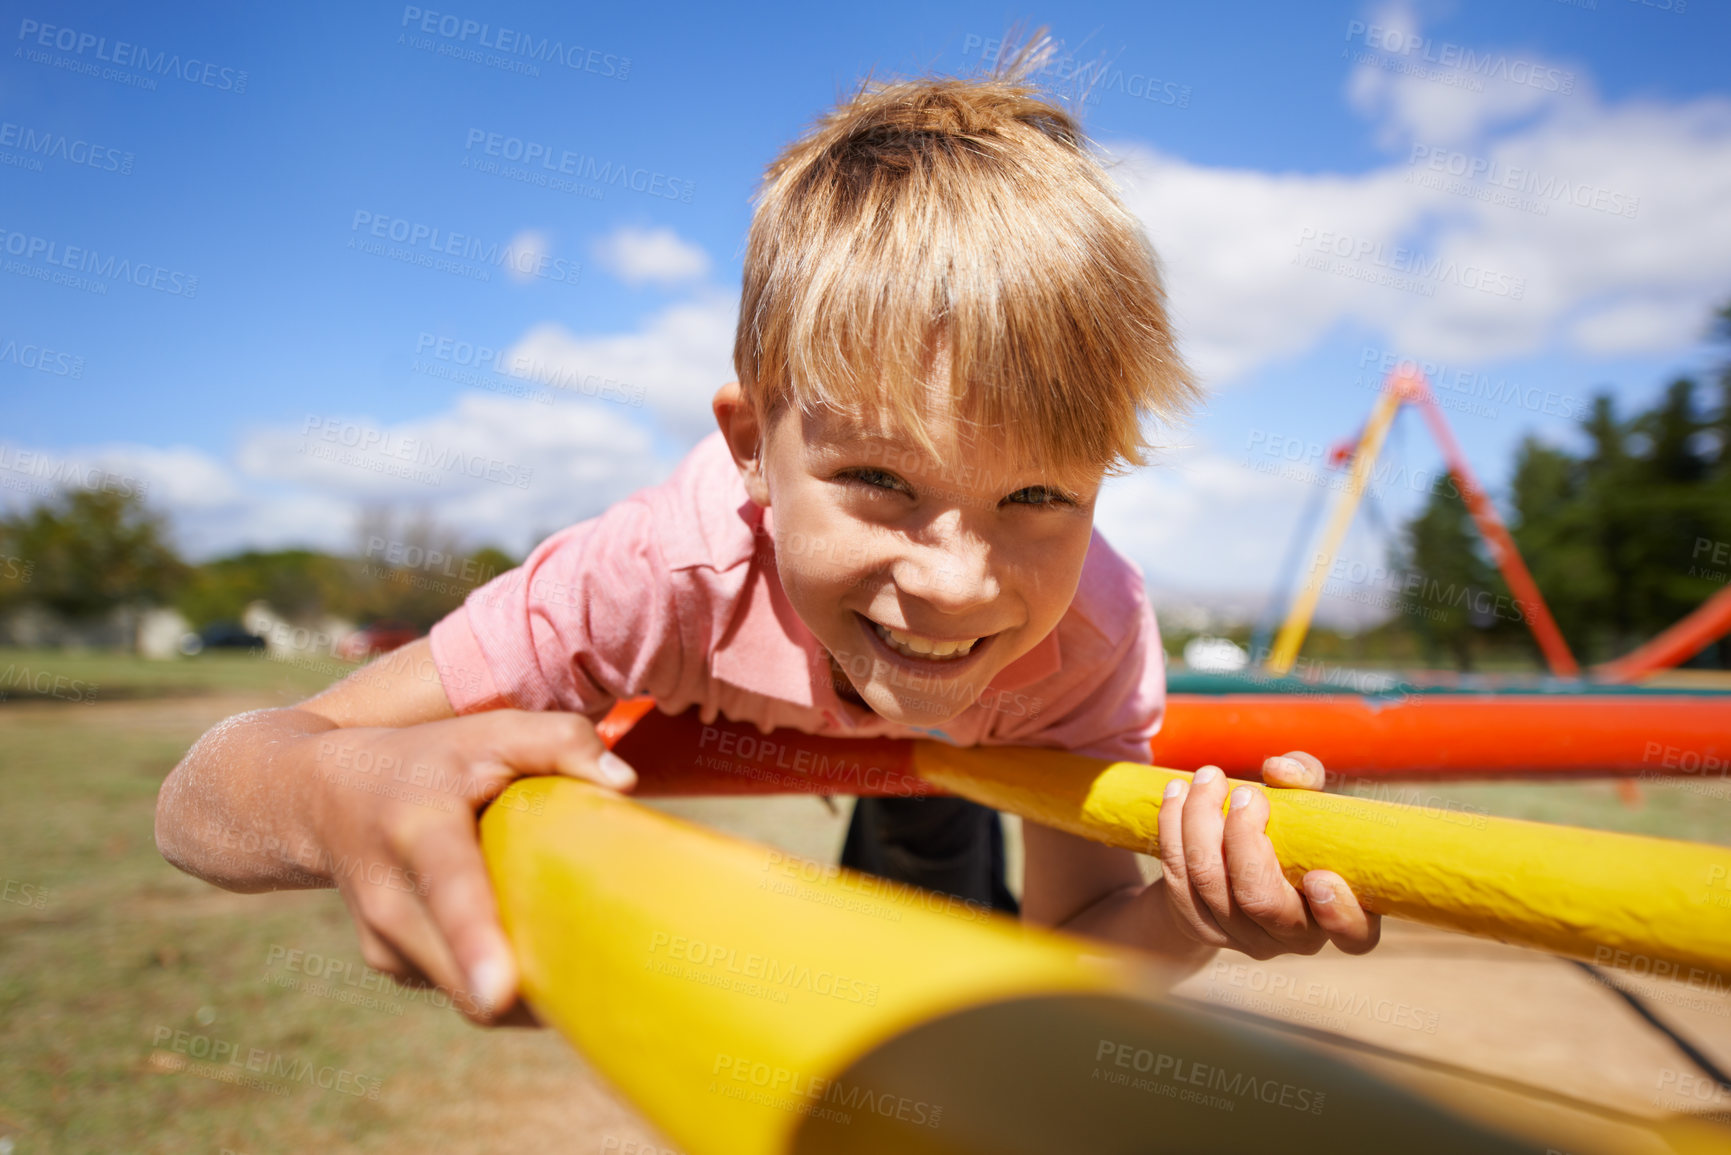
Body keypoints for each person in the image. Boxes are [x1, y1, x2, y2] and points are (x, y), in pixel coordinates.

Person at [154, 45, 1379, 1027]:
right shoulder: (656, 573)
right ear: (751, 447)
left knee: (933, 834)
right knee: (910, 821)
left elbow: (1069, 949)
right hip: (849, 707)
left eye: (1038, 499)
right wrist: (331, 786)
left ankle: (914, 818)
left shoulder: (1092, 629)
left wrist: (1193, 914)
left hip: (967, 747)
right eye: (878, 480)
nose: (956, 584)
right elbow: (197, 799)